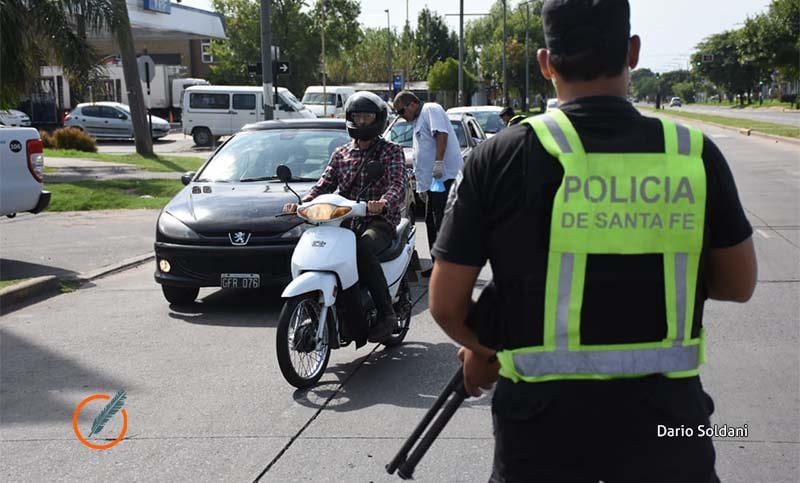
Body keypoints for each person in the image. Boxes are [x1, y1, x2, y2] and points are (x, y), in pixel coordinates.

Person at [428, 0, 757, 481]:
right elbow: (737, 283)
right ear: (633, 52)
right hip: (669, 427)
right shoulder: (691, 153)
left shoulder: (501, 156)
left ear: (545, 63)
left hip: (541, 433)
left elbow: (446, 305)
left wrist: (490, 353)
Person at [283, 91, 406, 344]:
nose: (361, 122)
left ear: (378, 119)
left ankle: (387, 314)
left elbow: (397, 184)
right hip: (344, 221)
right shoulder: (341, 153)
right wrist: (302, 204)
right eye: (357, 117)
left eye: (367, 117)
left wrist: (382, 204)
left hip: (378, 222)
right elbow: (323, 184)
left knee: (361, 249)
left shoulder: (391, 151)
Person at [392, 90, 463, 277]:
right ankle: (438, 266)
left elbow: (441, 134)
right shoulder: (418, 120)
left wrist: (439, 161)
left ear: (412, 104)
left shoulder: (431, 109)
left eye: (401, 111)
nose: (401, 117)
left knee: (441, 224)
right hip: (432, 182)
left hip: (444, 178)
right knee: (432, 224)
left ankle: (448, 268)